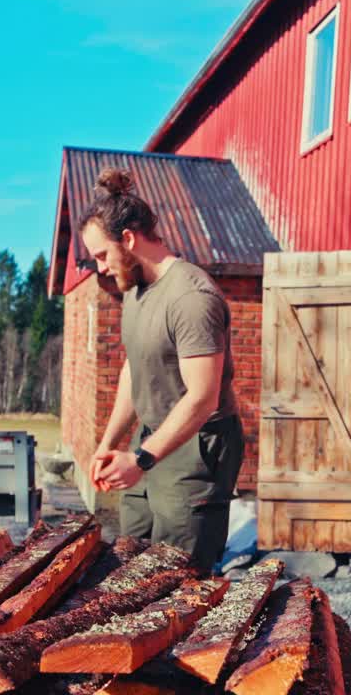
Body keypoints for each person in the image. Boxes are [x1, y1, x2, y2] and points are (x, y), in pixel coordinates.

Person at [79, 166, 244, 572]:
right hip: (151, 439)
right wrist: (110, 443)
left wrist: (141, 460)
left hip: (198, 448)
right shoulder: (136, 292)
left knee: (178, 577)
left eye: (102, 255)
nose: (100, 267)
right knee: (131, 564)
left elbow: (202, 398)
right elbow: (135, 371)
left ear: (129, 239)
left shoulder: (190, 297)